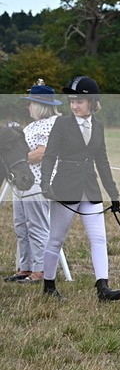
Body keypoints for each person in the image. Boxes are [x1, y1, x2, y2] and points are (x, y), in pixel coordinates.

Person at [39, 75, 120, 302]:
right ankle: (48, 286)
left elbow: (102, 161)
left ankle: (103, 287)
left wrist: (113, 193)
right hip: (65, 188)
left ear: (93, 102)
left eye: (80, 101)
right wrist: (44, 183)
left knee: (98, 238)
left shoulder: (98, 126)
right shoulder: (61, 124)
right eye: (72, 101)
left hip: (90, 188)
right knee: (56, 239)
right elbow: (50, 156)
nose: (74, 105)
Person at [3, 80, 62, 285]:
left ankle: (40, 270)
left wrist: (15, 159)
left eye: (30, 103)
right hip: (22, 180)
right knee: (21, 226)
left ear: (39, 105)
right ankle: (25, 267)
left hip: (39, 180)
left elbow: (41, 153)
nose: (28, 107)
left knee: (37, 225)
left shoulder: (54, 124)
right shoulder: (31, 126)